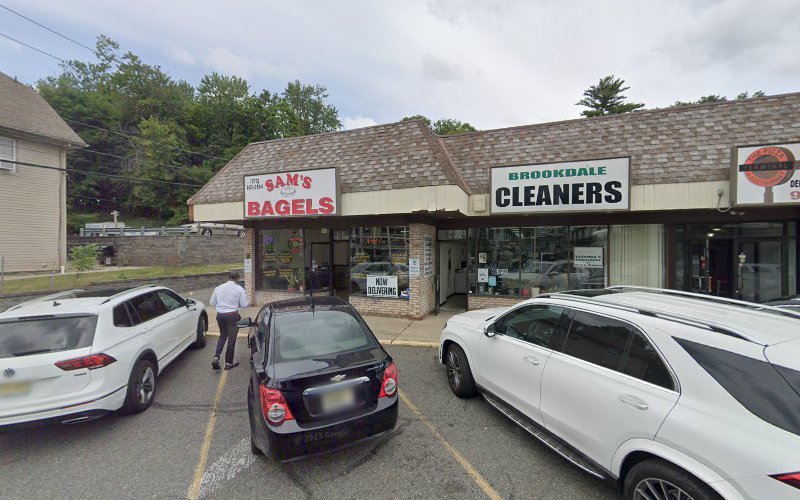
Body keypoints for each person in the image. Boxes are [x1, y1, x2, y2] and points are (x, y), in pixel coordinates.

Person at [209, 271, 249, 370]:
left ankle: (216, 357)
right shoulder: (239, 289)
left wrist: (221, 304)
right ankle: (228, 362)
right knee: (232, 338)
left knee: (222, 335)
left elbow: (212, 302)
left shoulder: (218, 288)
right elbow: (244, 304)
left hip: (220, 315)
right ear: (238, 278)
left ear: (229, 277)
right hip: (232, 315)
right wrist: (236, 306)